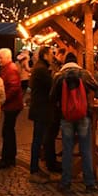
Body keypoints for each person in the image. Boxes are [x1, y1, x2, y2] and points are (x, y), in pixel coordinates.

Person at [50, 53, 98, 193]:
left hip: (66, 116)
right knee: (85, 149)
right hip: (83, 115)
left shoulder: (59, 76)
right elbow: (97, 87)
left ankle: (66, 182)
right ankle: (90, 183)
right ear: (77, 62)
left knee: (67, 150)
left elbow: (52, 96)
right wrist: (93, 99)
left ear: (65, 63)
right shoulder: (84, 74)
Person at [27, 46, 54, 183]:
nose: (52, 56)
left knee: (39, 139)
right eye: (51, 54)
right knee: (38, 140)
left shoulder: (40, 67)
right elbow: (52, 85)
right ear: (45, 55)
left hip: (40, 108)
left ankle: (36, 168)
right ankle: (33, 170)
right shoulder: (42, 70)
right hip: (41, 109)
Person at [0, 48, 23, 169]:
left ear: (7, 57)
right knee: (8, 131)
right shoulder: (8, 68)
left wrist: (3, 99)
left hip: (12, 105)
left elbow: (14, 87)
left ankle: (8, 158)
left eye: (0, 57)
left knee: (7, 131)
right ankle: (9, 157)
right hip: (11, 105)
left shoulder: (11, 69)